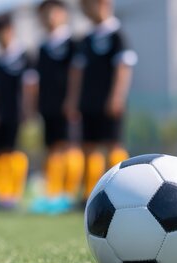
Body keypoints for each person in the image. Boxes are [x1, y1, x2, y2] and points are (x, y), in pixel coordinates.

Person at [65, 0, 137, 203]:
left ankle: (123, 192)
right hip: (88, 102)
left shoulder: (117, 35)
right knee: (89, 146)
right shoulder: (86, 39)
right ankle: (90, 194)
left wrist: (117, 96)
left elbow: (124, 67)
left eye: (88, 4)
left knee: (113, 144)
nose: (85, 10)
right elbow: (77, 73)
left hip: (109, 103)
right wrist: (73, 100)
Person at [30, 0, 85, 214]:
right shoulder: (43, 47)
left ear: (62, 14)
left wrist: (72, 100)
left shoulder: (73, 43)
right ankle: (53, 194)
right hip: (48, 106)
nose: (47, 18)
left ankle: (70, 194)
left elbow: (77, 74)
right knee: (52, 148)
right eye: (43, 14)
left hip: (67, 105)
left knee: (70, 146)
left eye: (51, 12)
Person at [0, 13, 36, 209]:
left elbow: (31, 85)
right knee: (1, 153)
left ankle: (14, 194)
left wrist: (29, 110)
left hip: (19, 114)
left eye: (2, 31)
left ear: (10, 31)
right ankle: (1, 193)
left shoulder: (25, 57)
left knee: (16, 152)